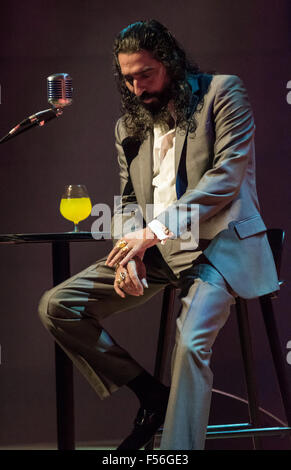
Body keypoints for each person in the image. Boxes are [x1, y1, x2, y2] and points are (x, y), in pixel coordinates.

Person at [38, 19, 279, 450]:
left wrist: (149, 235)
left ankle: (176, 456)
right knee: (59, 306)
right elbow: (129, 200)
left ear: (169, 62)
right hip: (160, 252)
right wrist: (128, 250)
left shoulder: (223, 93)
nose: (136, 88)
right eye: (128, 78)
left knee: (188, 347)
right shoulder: (128, 128)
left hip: (219, 247)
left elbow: (225, 180)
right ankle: (151, 396)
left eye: (145, 74)